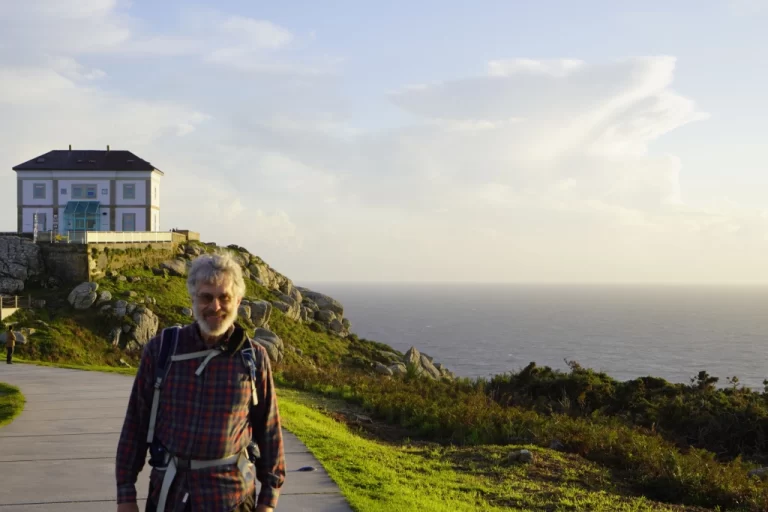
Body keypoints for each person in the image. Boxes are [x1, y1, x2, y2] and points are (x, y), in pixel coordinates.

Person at [115, 252, 285, 511]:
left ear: (238, 301)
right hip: (170, 496)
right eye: (206, 297)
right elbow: (135, 425)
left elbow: (269, 431)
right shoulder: (162, 350)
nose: (215, 306)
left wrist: (268, 502)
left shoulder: (253, 359)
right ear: (193, 298)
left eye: (224, 297)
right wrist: (126, 495)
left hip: (231, 500)